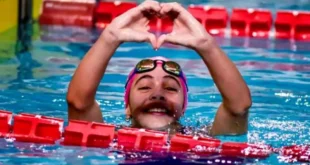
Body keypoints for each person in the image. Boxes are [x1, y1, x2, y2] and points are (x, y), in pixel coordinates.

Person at [66, 0, 252, 136]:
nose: (157, 94)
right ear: (127, 107)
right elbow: (79, 103)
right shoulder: (109, 137)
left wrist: (206, 45)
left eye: (170, 88)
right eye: (145, 87)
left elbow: (238, 108)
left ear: (184, 107)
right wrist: (110, 37)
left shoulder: (202, 139)